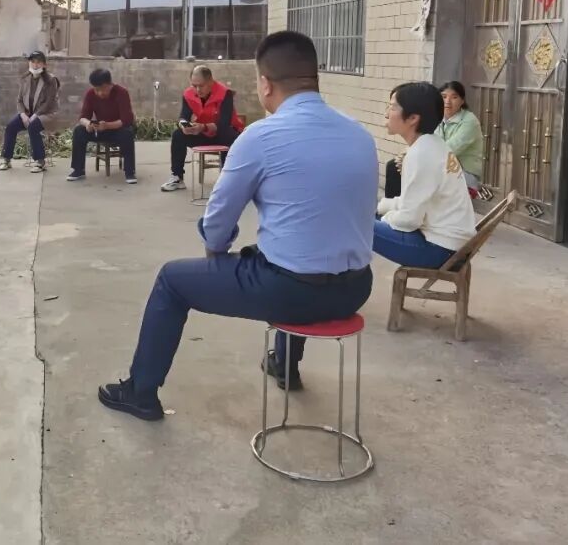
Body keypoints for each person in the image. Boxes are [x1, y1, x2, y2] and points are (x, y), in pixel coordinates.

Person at [97, 31, 377, 419]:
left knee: (172, 280)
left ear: (265, 84)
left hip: (290, 292)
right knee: (287, 250)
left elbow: (218, 220)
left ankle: (140, 392)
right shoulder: (359, 134)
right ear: (314, 77)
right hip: (356, 288)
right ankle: (284, 364)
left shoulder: (261, 136)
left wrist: (216, 252)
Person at [375, 82, 477, 269]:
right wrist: (381, 206)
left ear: (413, 118)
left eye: (392, 107)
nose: (386, 113)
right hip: (450, 245)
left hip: (441, 250)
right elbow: (411, 202)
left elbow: (408, 221)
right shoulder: (432, 143)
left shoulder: (421, 154)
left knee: (354, 225)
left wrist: (384, 217)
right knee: (364, 215)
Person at [161, 65, 246, 192]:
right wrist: (184, 125)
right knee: (178, 135)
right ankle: (177, 177)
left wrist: (204, 127)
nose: (197, 90)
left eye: (201, 85)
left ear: (210, 81)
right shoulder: (188, 94)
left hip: (223, 133)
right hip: (202, 132)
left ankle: (227, 180)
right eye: (194, 85)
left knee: (230, 135)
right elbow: (183, 116)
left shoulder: (225, 93)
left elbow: (224, 123)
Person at [67, 68, 137, 184]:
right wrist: (88, 124)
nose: (99, 93)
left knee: (128, 133)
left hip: (117, 130)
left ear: (110, 84)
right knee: (79, 131)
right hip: (100, 129)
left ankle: (129, 171)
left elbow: (126, 120)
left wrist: (107, 125)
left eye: (102, 89)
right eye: (96, 89)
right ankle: (78, 170)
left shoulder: (121, 93)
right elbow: (83, 117)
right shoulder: (90, 94)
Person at [0, 51, 61, 173]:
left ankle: (40, 162)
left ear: (44, 65)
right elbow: (19, 100)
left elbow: (49, 102)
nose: (35, 65)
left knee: (33, 127)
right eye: (33, 62)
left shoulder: (51, 80)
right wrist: (22, 114)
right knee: (11, 127)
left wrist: (35, 115)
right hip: (27, 114)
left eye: (38, 62)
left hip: (46, 114)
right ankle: (6, 159)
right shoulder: (25, 78)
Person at [435, 81, 484, 191]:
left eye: (454, 97)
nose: (447, 101)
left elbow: (449, 150)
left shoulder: (470, 121)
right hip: (441, 170)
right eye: (444, 97)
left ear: (462, 101)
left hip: (465, 174)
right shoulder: (437, 118)